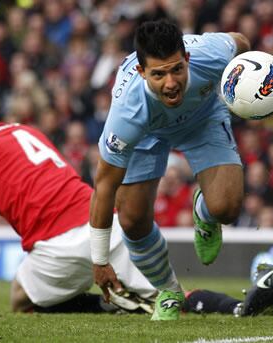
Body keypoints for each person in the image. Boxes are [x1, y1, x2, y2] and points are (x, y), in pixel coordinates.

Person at [0, 85, 157, 314]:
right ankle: (185, 301)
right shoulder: (22, 131)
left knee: (21, 300)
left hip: (57, 245)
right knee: (169, 298)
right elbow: (42, 184)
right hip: (104, 223)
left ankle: (105, 306)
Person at [89, 19, 250, 321]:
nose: (171, 82)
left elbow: (240, 41)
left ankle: (205, 213)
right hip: (145, 134)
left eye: (177, 69)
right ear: (141, 72)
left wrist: (250, 80)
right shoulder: (126, 112)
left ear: (187, 58)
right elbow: (104, 187)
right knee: (133, 220)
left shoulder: (209, 53)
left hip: (202, 120)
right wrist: (99, 260)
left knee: (226, 208)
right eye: (158, 74)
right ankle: (169, 290)